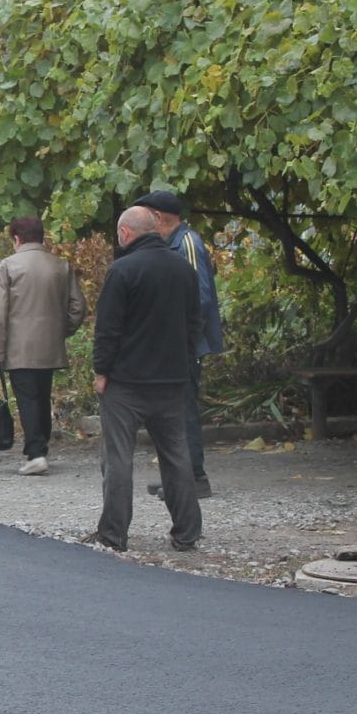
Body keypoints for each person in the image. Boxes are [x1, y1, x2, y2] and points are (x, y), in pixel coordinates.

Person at [86, 205, 203, 554]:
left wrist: (102, 371)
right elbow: (193, 324)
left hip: (126, 382)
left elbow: (108, 328)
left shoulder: (122, 270)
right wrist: (184, 366)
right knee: (177, 456)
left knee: (119, 457)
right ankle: (187, 533)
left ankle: (113, 534)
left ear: (125, 233)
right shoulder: (183, 269)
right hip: (171, 381)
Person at [134, 190, 223, 499]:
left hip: (185, 345)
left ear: (158, 217)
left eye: (145, 215)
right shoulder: (172, 243)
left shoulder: (186, 243)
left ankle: (195, 476)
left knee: (183, 409)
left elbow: (197, 299)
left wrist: (180, 341)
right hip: (175, 343)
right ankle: (176, 474)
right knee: (169, 410)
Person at [0, 216, 87, 475]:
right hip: (50, 346)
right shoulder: (61, 265)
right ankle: (41, 449)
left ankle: (36, 454)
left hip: (18, 347)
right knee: (42, 396)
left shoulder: (8, 266)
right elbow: (79, 306)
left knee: (28, 398)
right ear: (42, 236)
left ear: (17, 238)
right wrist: (61, 331)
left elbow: (0, 313)